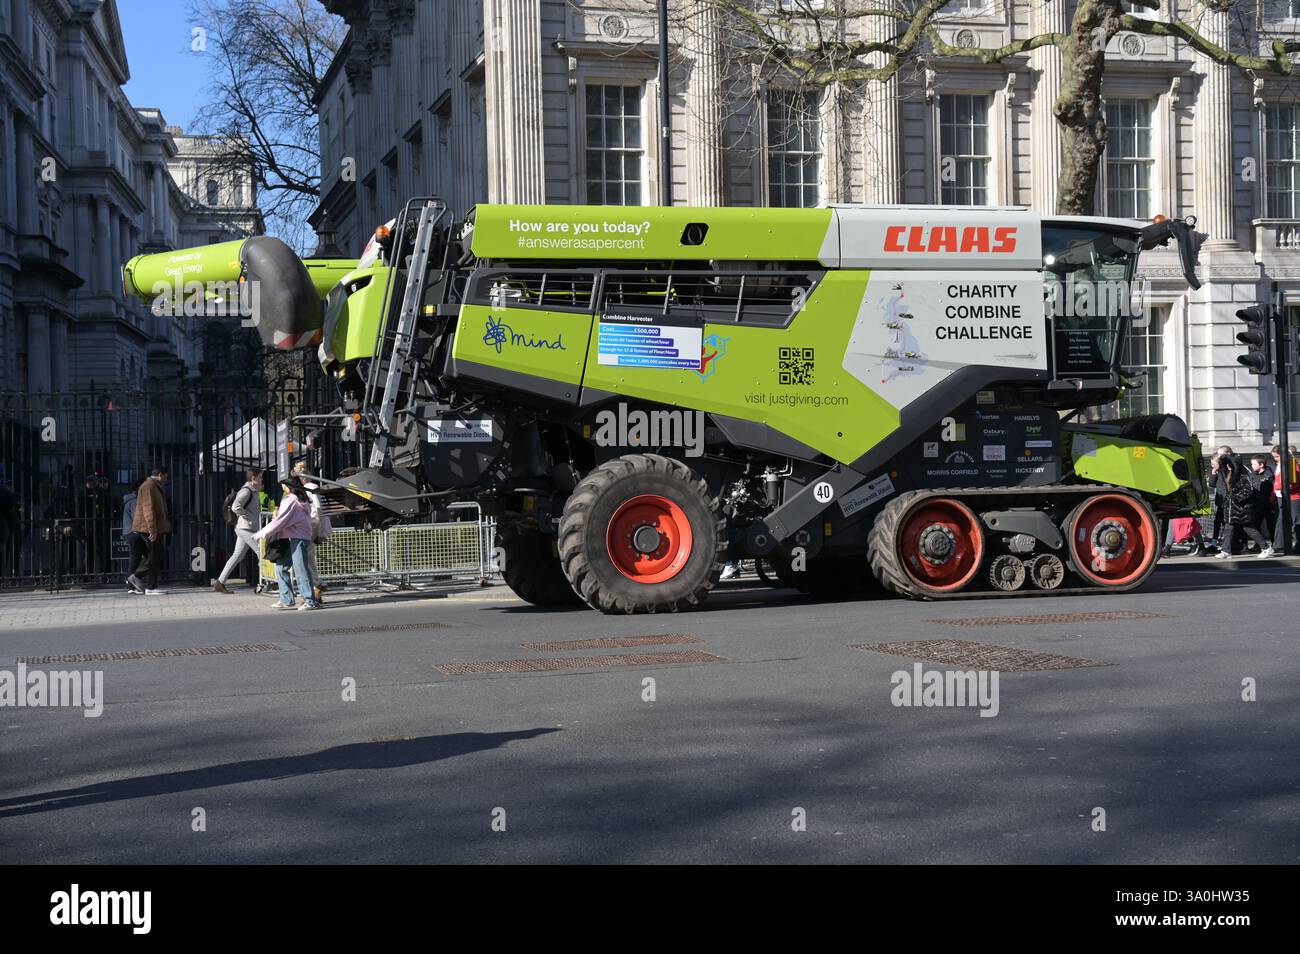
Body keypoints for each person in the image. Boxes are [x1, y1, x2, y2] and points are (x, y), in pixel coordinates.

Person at [253, 476, 321, 611]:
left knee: (299, 569)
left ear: (287, 487)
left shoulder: (290, 500)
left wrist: (262, 533)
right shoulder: (300, 500)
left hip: (296, 538)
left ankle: (309, 601)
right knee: (282, 567)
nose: (281, 488)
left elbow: (280, 520)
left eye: (283, 485)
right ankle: (287, 599)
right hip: (295, 537)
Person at [213, 468, 264, 594]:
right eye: (260, 477)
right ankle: (266, 583)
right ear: (253, 478)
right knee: (261, 552)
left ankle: (220, 582)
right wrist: (247, 515)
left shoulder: (252, 490)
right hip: (245, 527)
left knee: (237, 556)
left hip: (246, 527)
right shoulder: (246, 491)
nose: (262, 479)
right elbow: (236, 507)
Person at [1217, 455, 1274, 559]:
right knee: (1228, 528)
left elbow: (1247, 491)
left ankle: (1266, 547)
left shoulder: (1243, 476)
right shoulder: (1230, 475)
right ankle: (1226, 551)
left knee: (1249, 528)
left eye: (1230, 465)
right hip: (1232, 510)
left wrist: (1234, 498)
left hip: (1241, 510)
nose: (1228, 467)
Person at [126, 465, 172, 594]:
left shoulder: (153, 486)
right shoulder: (148, 486)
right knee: (155, 555)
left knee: (155, 555)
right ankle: (142, 581)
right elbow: (148, 509)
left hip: (152, 527)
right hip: (148, 528)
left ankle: (146, 583)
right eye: (166, 477)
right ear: (160, 474)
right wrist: (152, 529)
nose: (166, 479)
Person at [1271, 445, 1300, 554]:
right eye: (1274, 457)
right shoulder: (1280, 465)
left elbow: (1294, 482)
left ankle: (1297, 546)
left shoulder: (1292, 465)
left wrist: (1280, 487)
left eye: (1277, 456)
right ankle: (1280, 544)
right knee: (1282, 520)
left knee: (1295, 522)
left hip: (1293, 497)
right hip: (1282, 496)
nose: (1275, 459)